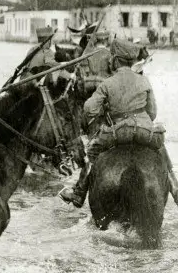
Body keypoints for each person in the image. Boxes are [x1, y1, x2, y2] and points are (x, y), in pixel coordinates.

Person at [58, 39, 176, 207]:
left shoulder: (108, 82)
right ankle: (175, 188)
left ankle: (78, 194)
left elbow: (89, 109)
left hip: (117, 132)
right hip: (143, 131)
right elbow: (152, 113)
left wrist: (105, 108)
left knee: (93, 153)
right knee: (161, 150)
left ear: (115, 60)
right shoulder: (144, 81)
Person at [79, 29, 113, 95]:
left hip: (89, 85)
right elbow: (112, 72)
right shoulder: (109, 54)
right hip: (104, 87)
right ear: (105, 40)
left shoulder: (87, 54)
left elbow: (83, 73)